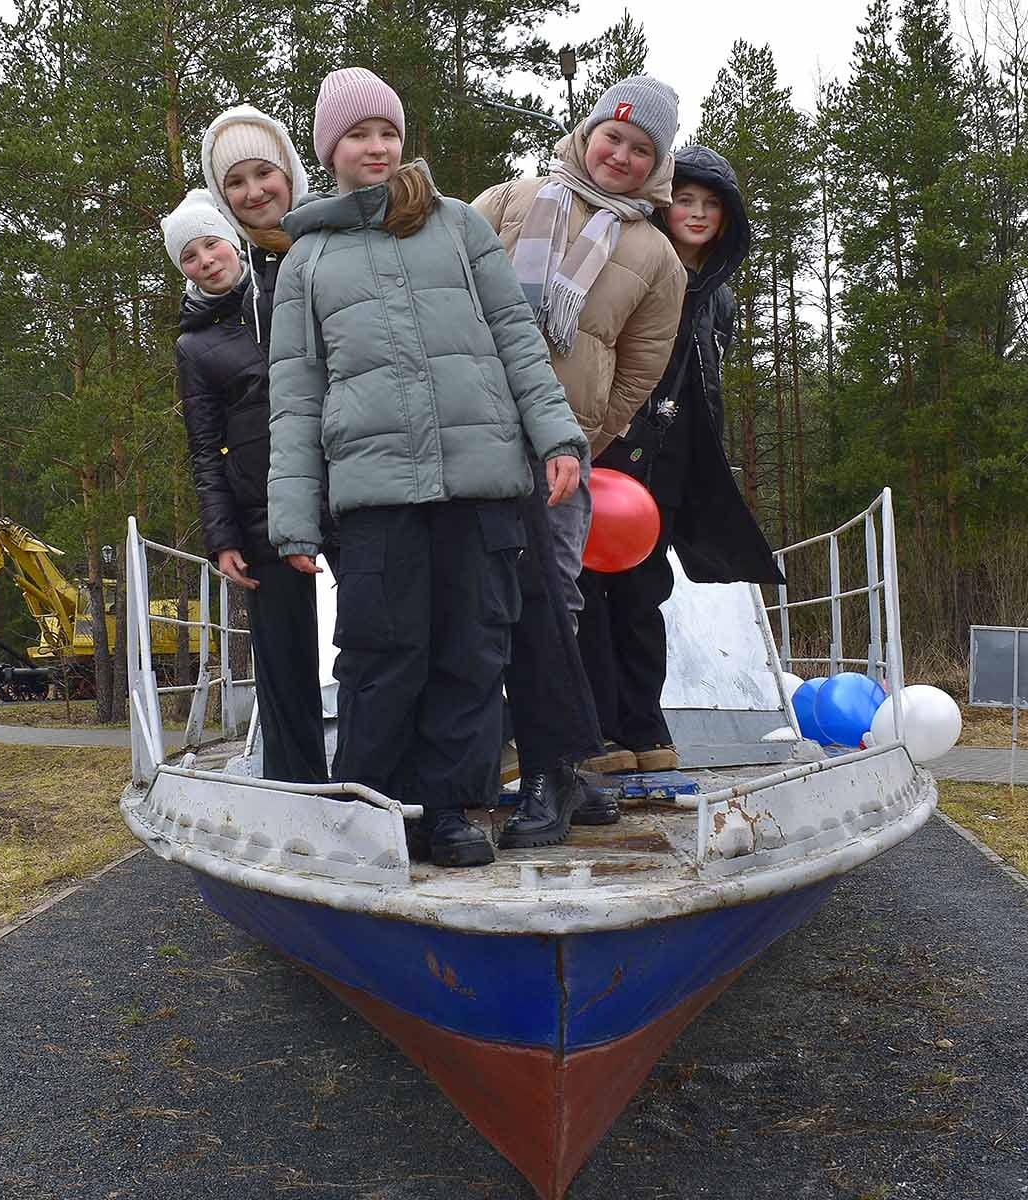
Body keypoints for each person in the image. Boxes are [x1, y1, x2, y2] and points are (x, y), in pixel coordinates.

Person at [267, 68, 587, 868]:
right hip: (375, 492)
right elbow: (297, 397)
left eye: (387, 131)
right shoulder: (306, 260)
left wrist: (557, 435)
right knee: (382, 653)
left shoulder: (456, 226)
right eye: (356, 134)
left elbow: (516, 333)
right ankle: (372, 811)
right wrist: (295, 517)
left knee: (472, 653)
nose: (376, 147)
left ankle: (447, 810)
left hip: (480, 482)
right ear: (328, 150)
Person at [474, 75, 689, 781]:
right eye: (612, 137)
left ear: (656, 164)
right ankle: (481, 745)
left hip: (563, 450)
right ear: (588, 132)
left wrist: (585, 436)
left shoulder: (656, 255)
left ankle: (552, 751)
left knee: (555, 593)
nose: (620, 156)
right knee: (476, 588)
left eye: (640, 149)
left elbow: (641, 367)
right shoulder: (510, 199)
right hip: (474, 430)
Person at [581, 145, 784, 769]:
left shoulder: (719, 297)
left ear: (727, 219)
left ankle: (643, 728)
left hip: (672, 462)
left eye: (711, 205)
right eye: (685, 200)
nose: (697, 214)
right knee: (587, 592)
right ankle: (596, 733)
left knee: (645, 594)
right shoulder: (631, 264)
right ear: (665, 207)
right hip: (611, 450)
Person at [165, 180, 327, 786]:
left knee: (371, 636)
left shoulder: (292, 286)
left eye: (212, 244)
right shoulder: (195, 344)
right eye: (190, 256)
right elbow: (204, 448)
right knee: (283, 658)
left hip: (336, 485)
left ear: (233, 240)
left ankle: (376, 774)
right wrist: (222, 535)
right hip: (258, 507)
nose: (206, 261)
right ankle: (298, 784)